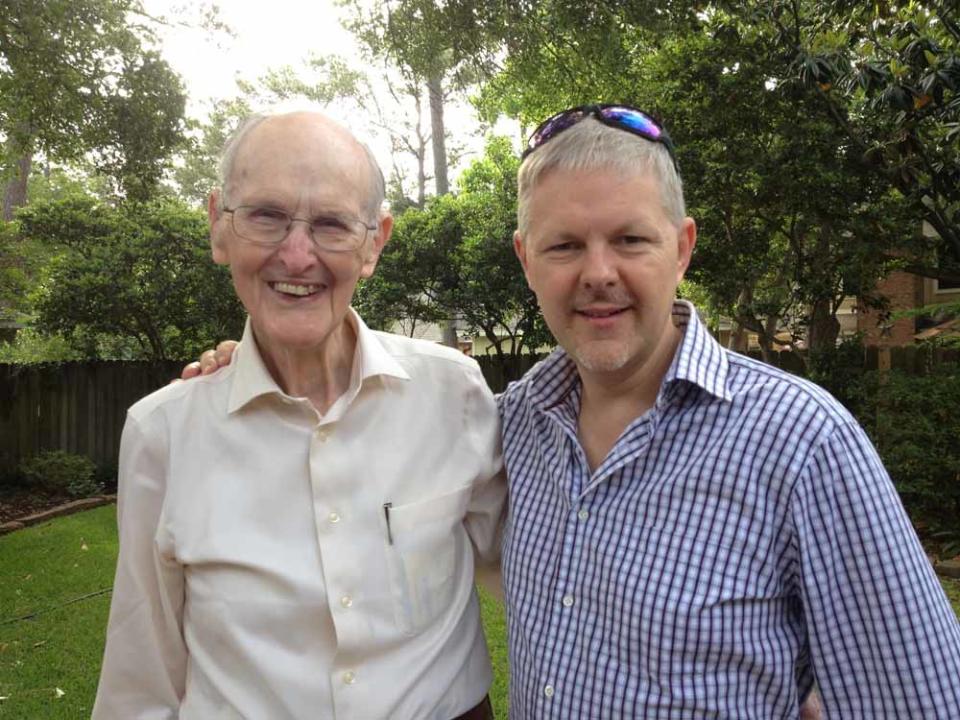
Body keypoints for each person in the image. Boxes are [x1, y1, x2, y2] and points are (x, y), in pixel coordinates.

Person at [186, 105, 960, 718]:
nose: (598, 275)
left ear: (683, 247)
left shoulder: (801, 440)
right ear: (526, 260)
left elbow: (919, 698)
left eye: (630, 239)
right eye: (564, 247)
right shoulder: (508, 423)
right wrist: (258, 362)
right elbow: (370, 439)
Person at [93, 110, 505, 719]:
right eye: (266, 215)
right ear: (217, 226)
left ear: (374, 244)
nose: (296, 254)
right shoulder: (164, 433)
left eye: (333, 224)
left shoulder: (453, 393)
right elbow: (141, 677)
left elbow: (545, 574)